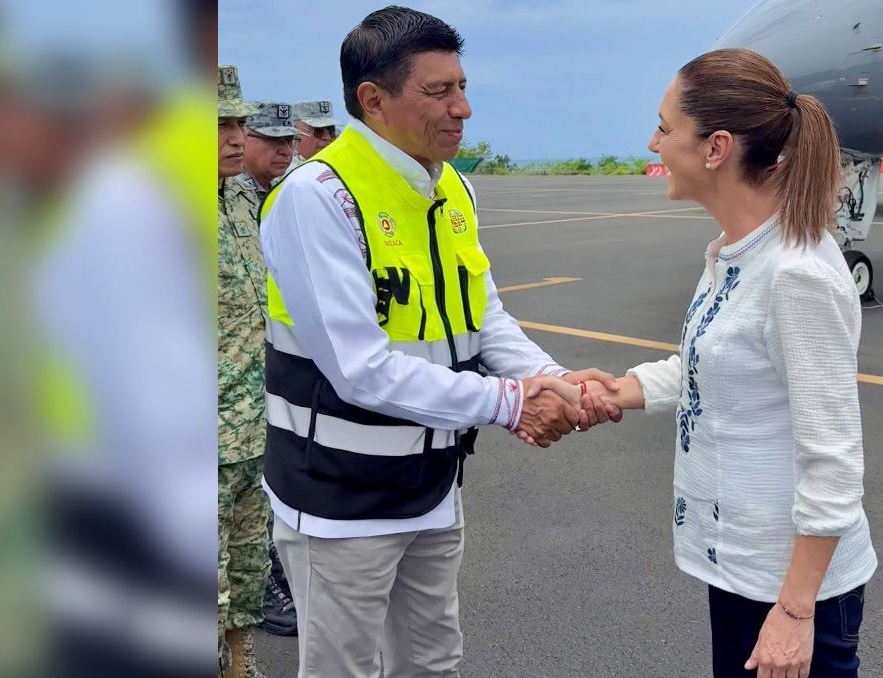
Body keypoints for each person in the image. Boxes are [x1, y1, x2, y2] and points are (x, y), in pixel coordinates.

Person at [257, 7, 619, 677]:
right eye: (439, 91)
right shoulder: (318, 198)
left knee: (432, 662)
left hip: (430, 484)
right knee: (344, 670)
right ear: (373, 99)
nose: (464, 108)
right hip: (340, 500)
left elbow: (484, 318)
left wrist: (554, 379)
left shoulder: (451, 186)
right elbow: (360, 371)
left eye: (461, 86)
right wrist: (513, 403)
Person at [577, 49, 878, 678]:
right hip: (744, 568)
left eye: (665, 127)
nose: (654, 142)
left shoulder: (796, 275)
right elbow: (706, 365)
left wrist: (795, 615)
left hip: (794, 590)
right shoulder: (735, 254)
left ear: (715, 148)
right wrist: (617, 391)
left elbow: (833, 460)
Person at [217, 64, 269, 678]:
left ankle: (240, 663)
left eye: (237, 121)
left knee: (247, 567)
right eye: (218, 125)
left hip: (253, 429)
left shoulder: (240, 198)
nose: (235, 136)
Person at [241, 100, 299, 203]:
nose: (286, 151)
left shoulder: (285, 188)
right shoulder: (224, 191)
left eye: (289, 140)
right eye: (274, 139)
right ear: (243, 137)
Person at [292, 99, 341, 164]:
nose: (328, 137)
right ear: (295, 131)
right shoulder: (283, 171)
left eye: (331, 131)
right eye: (318, 130)